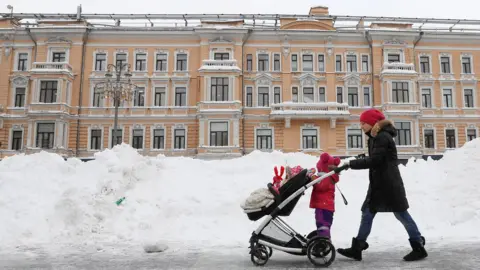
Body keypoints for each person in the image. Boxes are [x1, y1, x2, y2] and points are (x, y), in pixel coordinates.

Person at [333, 108, 428, 262]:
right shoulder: (375, 137)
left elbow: (376, 161)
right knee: (367, 213)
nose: (361, 126)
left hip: (389, 184)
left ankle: (418, 247)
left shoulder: (382, 137)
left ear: (372, 123)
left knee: (401, 214)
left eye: (363, 123)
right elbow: (377, 157)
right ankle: (357, 248)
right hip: (380, 183)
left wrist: (351, 164)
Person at [309, 152, 341, 240]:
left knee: (323, 224)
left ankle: (324, 240)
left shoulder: (327, 177)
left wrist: (312, 177)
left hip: (324, 206)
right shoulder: (327, 176)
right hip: (324, 205)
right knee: (323, 224)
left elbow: (320, 186)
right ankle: (324, 238)